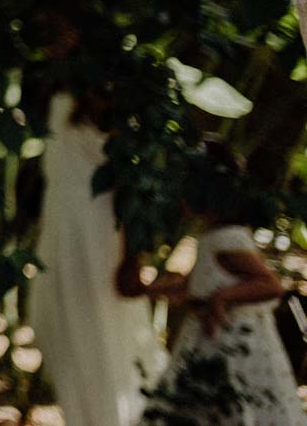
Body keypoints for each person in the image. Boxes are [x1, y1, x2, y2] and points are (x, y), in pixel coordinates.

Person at [128, 144, 305, 426]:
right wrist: (152, 289)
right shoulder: (213, 235)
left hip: (233, 337)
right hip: (205, 334)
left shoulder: (227, 238)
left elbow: (270, 286)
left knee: (230, 404)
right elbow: (197, 282)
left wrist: (223, 298)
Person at [29, 92, 166, 426]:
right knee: (52, 324)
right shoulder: (56, 93)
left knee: (102, 332)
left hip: (97, 232)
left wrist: (134, 255)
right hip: (62, 226)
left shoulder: (112, 99)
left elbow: (133, 183)